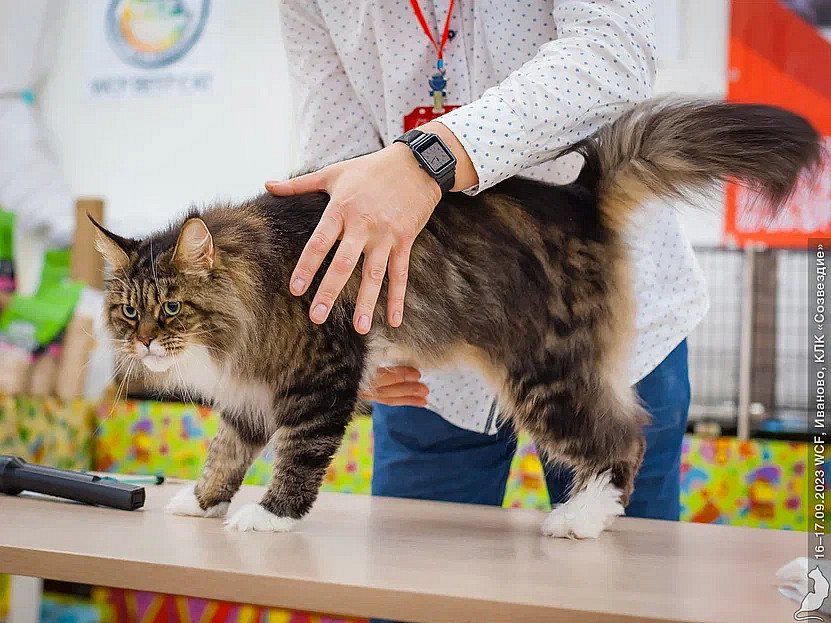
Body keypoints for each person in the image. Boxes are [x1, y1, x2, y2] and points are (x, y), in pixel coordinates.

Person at [268, 0, 705, 530]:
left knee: (624, 566)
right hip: (431, 350)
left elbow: (612, 52)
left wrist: (432, 157)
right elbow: (339, 160)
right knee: (412, 570)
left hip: (594, 314)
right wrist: (342, 342)